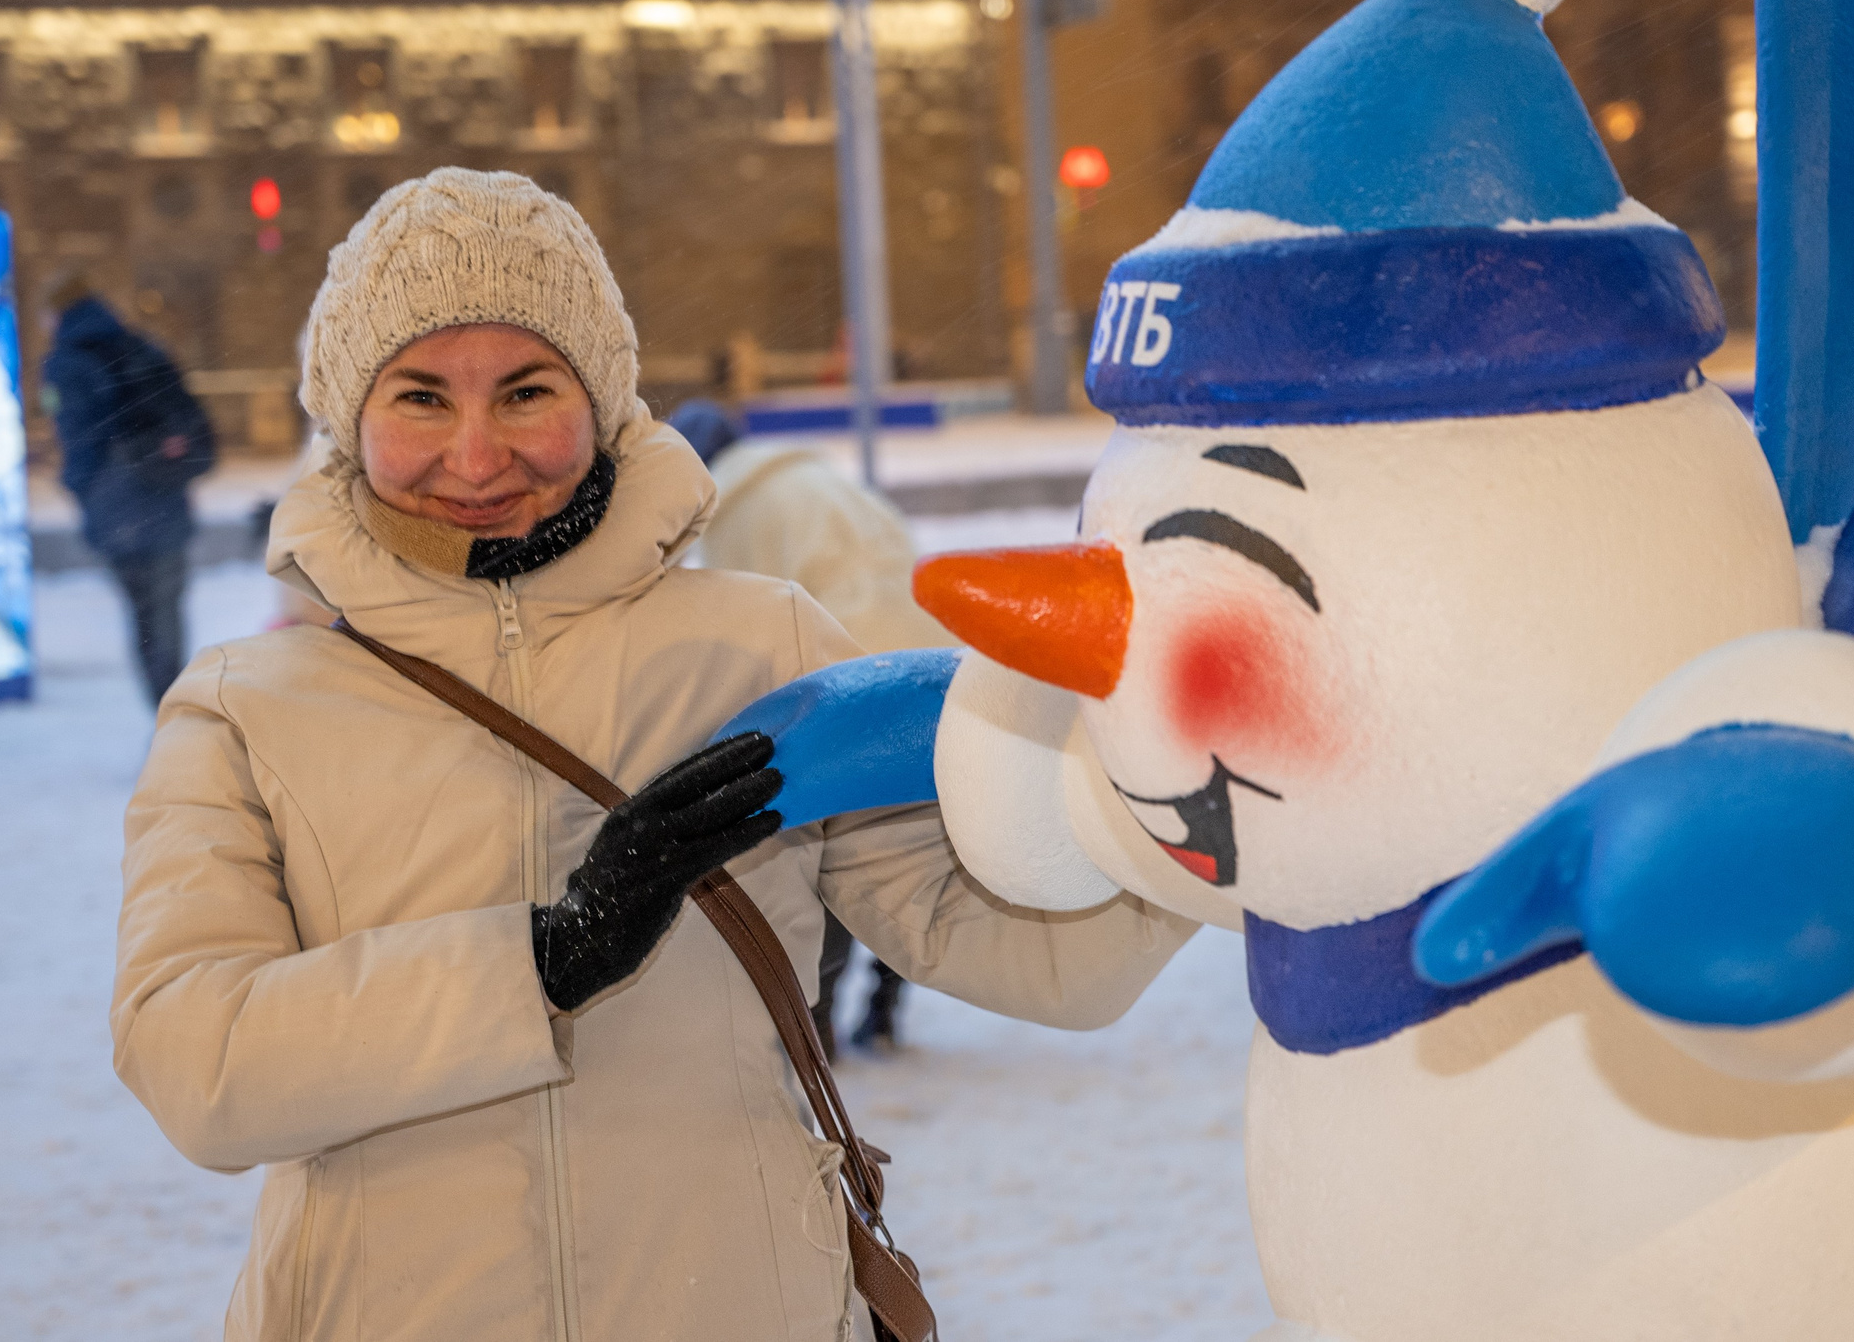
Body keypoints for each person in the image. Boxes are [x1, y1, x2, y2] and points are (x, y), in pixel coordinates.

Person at [111, 169, 1194, 1342]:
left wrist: (1180, 788)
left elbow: (1045, 962)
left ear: (602, 398)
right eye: (420, 398)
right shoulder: (244, 709)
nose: (476, 458)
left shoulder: (758, 646)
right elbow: (197, 1063)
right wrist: (548, 957)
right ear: (346, 416)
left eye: (527, 391)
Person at [669, 396, 947, 1053]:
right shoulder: (816, 482)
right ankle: (882, 1010)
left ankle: (815, 1022)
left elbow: (756, 627)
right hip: (925, 673)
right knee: (902, 853)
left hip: (853, 678)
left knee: (831, 859)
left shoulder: (737, 507)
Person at [42, 274, 215, 704]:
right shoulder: (138, 345)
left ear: (57, 312)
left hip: (117, 509)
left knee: (144, 624)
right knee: (167, 618)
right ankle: (181, 722)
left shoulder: (67, 362)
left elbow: (78, 440)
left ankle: (169, 723)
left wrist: (78, 487)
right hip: (166, 502)